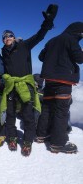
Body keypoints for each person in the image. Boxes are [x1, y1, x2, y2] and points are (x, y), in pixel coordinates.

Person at [0, 4, 58, 156]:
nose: (7, 39)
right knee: (10, 115)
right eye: (4, 37)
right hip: (12, 87)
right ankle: (11, 138)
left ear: (14, 37)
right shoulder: (3, 53)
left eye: (9, 36)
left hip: (26, 85)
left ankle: (27, 142)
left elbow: (40, 35)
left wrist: (47, 23)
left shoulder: (24, 45)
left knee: (28, 115)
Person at [36, 22, 83, 154]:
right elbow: (80, 59)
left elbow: (40, 57)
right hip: (63, 81)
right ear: (78, 32)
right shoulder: (72, 40)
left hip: (49, 80)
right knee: (61, 112)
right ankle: (58, 143)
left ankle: (41, 135)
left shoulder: (52, 40)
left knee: (46, 109)